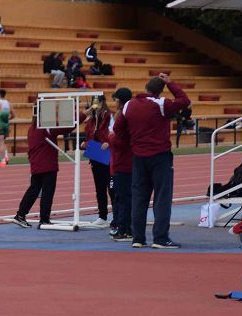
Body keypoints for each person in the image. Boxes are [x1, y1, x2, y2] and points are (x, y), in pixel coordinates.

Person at [122, 72, 191, 249]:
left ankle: (137, 237)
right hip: (160, 156)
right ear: (159, 91)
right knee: (162, 197)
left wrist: (133, 143)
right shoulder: (161, 104)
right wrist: (170, 83)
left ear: (145, 87)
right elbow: (184, 101)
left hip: (138, 157)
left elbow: (118, 129)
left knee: (139, 197)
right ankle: (160, 238)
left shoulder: (129, 105)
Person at [12, 116, 76, 228]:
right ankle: (44, 219)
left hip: (36, 164)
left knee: (33, 190)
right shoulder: (46, 128)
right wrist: (81, 116)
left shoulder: (32, 128)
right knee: (47, 192)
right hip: (47, 165)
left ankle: (20, 215)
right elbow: (66, 129)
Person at [82, 94, 113, 227]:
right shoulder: (91, 118)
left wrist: (109, 142)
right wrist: (85, 143)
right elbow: (89, 134)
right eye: (95, 103)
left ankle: (118, 216)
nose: (96, 106)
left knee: (112, 188)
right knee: (99, 188)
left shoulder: (108, 116)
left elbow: (114, 131)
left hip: (107, 154)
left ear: (103, 103)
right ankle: (102, 216)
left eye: (98, 103)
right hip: (96, 154)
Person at [108, 88, 134, 241]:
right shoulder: (129, 112)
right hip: (126, 162)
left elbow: (120, 140)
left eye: (116, 99)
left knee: (123, 198)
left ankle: (125, 229)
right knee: (125, 197)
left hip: (123, 163)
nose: (115, 102)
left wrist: (111, 138)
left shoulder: (124, 115)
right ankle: (127, 228)